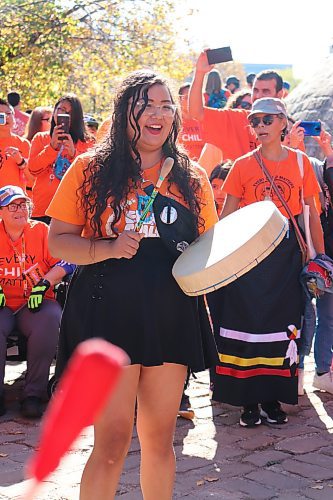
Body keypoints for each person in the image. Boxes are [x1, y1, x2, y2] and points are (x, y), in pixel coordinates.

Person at [46, 70, 218, 499]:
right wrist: (107, 247)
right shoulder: (90, 169)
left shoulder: (191, 177)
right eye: (147, 105)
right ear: (125, 111)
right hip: (108, 310)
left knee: (160, 439)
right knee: (112, 441)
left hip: (170, 311)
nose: (158, 115)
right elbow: (58, 240)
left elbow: (208, 247)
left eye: (166, 106)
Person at [207, 98, 324, 427]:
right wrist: (214, 257)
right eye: (254, 120)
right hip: (248, 258)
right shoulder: (242, 164)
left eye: (267, 119)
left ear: (283, 122)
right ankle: (247, 403)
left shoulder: (301, 164)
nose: (260, 126)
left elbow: (312, 215)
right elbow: (227, 215)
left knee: (281, 328)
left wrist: (320, 259)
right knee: (246, 327)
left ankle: (272, 399)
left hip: (286, 258)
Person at [0, 185, 74, 418]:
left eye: (23, 205)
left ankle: (34, 393)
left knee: (50, 318)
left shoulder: (41, 231)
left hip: (35, 302)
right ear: (1, 211)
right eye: (13, 205)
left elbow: (67, 261)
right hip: (3, 305)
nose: (20, 210)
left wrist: (44, 284)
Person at [189, 51, 285, 160]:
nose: (258, 96)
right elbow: (196, 112)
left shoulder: (289, 128)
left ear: (280, 94)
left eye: (266, 91)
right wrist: (200, 73)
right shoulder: (237, 117)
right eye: (256, 90)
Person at [298, 128, 333, 395]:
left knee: (326, 316)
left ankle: (321, 371)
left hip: (326, 260)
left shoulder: (324, 178)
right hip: (300, 256)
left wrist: (329, 155)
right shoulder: (296, 165)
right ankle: (299, 371)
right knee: (305, 316)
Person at [27, 94, 94, 224]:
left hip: (74, 210)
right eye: (60, 109)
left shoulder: (88, 142)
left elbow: (91, 175)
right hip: (42, 209)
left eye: (69, 112)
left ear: (77, 117)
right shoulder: (40, 138)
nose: (63, 114)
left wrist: (74, 154)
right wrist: (52, 147)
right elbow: (33, 170)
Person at [0, 98, 30, 190]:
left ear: (14, 117)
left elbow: (32, 179)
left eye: (8, 113)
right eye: (1, 115)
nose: (6, 117)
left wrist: (20, 161)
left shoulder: (23, 143)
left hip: (16, 201)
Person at [178, 83, 205, 161]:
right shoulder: (173, 122)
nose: (191, 101)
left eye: (194, 97)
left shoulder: (205, 121)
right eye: (187, 97)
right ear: (179, 99)